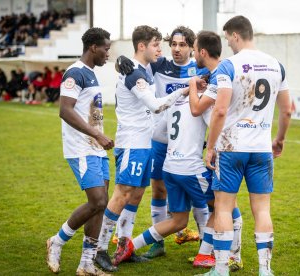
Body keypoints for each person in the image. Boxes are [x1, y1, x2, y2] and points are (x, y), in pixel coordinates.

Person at [94, 25, 190, 272]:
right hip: (132, 143)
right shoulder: (135, 73)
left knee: (136, 195)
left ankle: (123, 248)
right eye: (156, 44)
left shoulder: (143, 68)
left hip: (144, 143)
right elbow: (156, 105)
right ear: (142, 46)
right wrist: (183, 90)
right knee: (122, 194)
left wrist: (121, 59)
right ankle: (99, 250)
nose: (161, 49)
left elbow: (127, 64)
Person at [202, 16, 291, 276]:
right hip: (262, 148)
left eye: (228, 37)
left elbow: (219, 111)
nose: (227, 43)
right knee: (262, 209)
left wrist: (210, 146)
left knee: (223, 207)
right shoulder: (277, 66)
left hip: (231, 148)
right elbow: (286, 111)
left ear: (236, 35)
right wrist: (280, 139)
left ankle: (220, 270)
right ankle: (265, 270)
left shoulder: (228, 66)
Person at [114, 26, 210, 260]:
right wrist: (121, 59)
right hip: (158, 140)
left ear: (192, 46)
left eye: (182, 45)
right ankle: (158, 244)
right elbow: (135, 64)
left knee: (198, 195)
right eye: (173, 45)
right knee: (157, 189)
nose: (176, 49)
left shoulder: (200, 68)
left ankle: (206, 245)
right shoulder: (160, 64)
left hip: (189, 144)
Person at [46, 27, 114, 276]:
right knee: (97, 200)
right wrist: (96, 134)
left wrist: (98, 137)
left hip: (95, 148)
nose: (108, 53)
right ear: (93, 47)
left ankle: (87, 263)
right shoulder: (75, 73)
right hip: (81, 148)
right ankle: (57, 241)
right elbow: (65, 110)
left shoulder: (92, 74)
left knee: (100, 205)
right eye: (106, 48)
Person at [187, 31, 244, 272]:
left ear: (202, 52)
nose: (191, 54)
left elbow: (196, 109)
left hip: (224, 147)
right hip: (234, 144)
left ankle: (233, 256)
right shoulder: (222, 71)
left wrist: (192, 86)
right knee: (223, 203)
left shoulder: (219, 74)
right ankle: (218, 254)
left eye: (194, 49)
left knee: (226, 205)